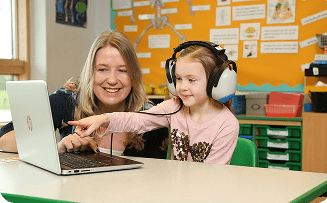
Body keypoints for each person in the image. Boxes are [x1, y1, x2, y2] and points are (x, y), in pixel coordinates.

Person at [0, 30, 169, 159]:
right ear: (91, 72)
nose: (112, 80)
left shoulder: (150, 116)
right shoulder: (69, 98)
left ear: (134, 75)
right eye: (102, 69)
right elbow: (4, 137)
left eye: (123, 70)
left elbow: (154, 180)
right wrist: (56, 146)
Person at [69, 41, 239, 165]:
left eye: (191, 80)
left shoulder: (227, 124)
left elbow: (212, 177)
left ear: (215, 82)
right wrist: (103, 119)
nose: (182, 87)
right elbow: (137, 120)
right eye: (178, 79)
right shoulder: (175, 107)